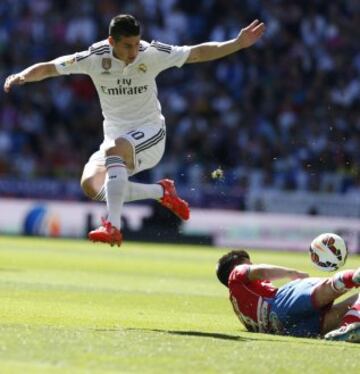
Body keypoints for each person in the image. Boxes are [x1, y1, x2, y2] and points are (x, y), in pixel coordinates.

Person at [3, 15, 265, 247]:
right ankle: (161, 192)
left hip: (151, 133)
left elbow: (195, 53)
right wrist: (22, 75)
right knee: (91, 185)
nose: (134, 51)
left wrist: (236, 44)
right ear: (111, 41)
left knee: (117, 148)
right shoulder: (95, 58)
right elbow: (51, 67)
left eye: (136, 44)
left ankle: (113, 226)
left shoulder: (151, 53)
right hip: (114, 139)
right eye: (127, 45)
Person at [216, 250, 360, 343]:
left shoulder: (238, 305)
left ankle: (350, 326)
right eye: (249, 262)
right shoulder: (236, 273)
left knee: (335, 313)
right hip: (278, 304)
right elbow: (261, 271)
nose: (252, 264)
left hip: (285, 329)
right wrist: (291, 273)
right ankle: (354, 275)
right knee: (328, 288)